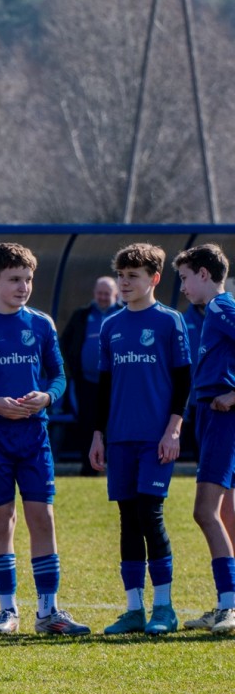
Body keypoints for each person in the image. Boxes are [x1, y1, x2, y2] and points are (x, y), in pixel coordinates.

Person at [0, 243, 89, 636]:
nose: (23, 287)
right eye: (14, 279)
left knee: (42, 517)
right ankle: (7, 611)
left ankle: (48, 611)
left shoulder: (41, 324)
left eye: (28, 279)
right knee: (1, 521)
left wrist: (47, 397)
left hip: (33, 434)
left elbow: (59, 376)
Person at [90, 244, 190, 637]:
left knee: (151, 514)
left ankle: (164, 607)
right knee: (128, 519)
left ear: (155, 278)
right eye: (121, 275)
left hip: (155, 438)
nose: (125, 282)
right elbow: (103, 386)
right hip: (119, 439)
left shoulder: (169, 322)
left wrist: (173, 429)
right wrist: (98, 436)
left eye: (133, 276)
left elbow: (183, 381)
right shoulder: (110, 325)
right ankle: (134, 609)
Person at [173, 243, 235, 634]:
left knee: (205, 512)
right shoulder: (212, 311)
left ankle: (228, 605)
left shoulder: (220, 307)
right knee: (227, 513)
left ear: (203, 273)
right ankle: (230, 602)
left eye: (184, 278)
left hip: (222, 417)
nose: (182, 287)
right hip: (213, 414)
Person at [62, 276, 123, 475]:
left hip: (117, 383)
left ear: (116, 294)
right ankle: (89, 468)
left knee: (116, 423)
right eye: (100, 293)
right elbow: (65, 343)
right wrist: (73, 368)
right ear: (94, 293)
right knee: (87, 423)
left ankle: (116, 467)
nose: (103, 297)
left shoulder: (125, 313)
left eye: (107, 294)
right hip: (87, 383)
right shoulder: (82, 314)